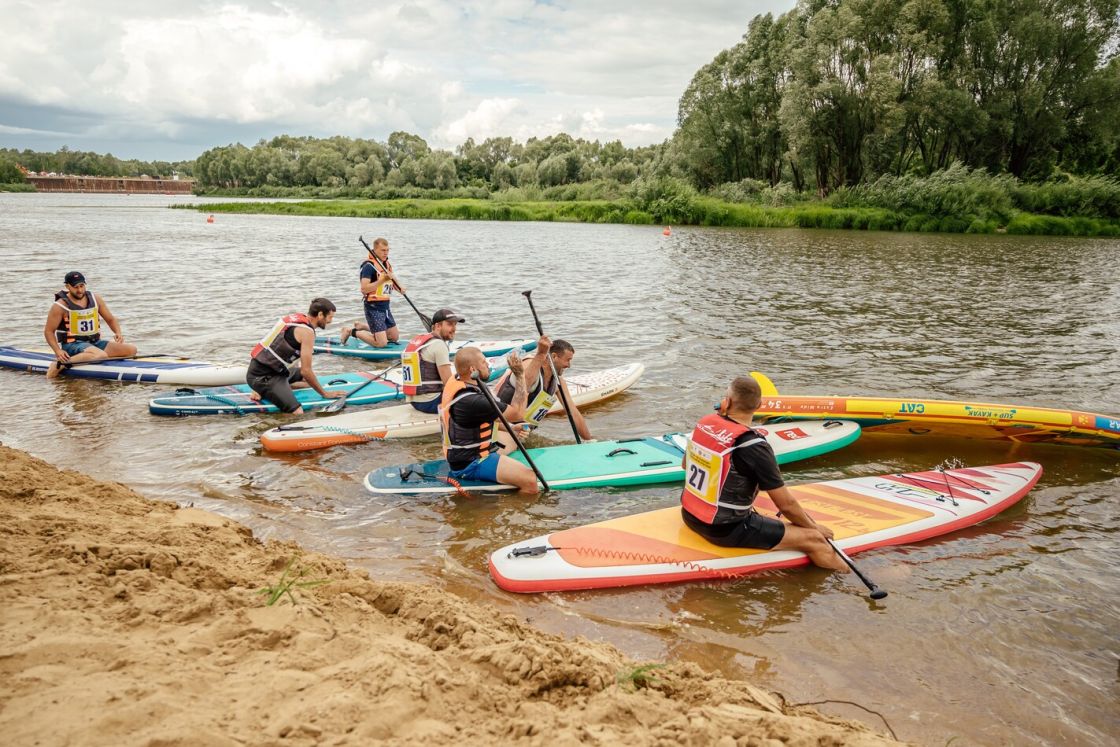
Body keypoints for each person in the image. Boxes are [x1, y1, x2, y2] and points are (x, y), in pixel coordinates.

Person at [679, 375, 847, 571]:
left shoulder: (705, 423)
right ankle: (844, 578)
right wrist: (815, 528)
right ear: (759, 405)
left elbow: (686, 465)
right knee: (816, 540)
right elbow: (786, 505)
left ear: (727, 402)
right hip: (724, 530)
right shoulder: (754, 446)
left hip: (689, 515)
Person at [440, 346, 538, 494]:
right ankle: (511, 510)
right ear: (473, 369)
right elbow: (518, 413)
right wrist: (519, 375)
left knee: (513, 439)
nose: (488, 365)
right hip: (471, 463)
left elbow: (481, 418)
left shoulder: (458, 381)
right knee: (530, 480)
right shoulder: (472, 400)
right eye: (484, 362)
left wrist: (511, 428)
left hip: (465, 454)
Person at [246, 298, 345, 414]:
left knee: (309, 381)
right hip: (263, 377)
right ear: (320, 315)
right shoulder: (307, 332)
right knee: (298, 412)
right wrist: (325, 394)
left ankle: (274, 390)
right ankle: (263, 389)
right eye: (330, 317)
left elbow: (291, 354)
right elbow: (306, 371)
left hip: (273, 371)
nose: (330, 321)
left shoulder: (298, 319)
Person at [492, 336, 591, 447]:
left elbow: (573, 412)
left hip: (522, 432)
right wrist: (541, 353)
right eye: (568, 360)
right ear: (554, 356)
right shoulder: (529, 365)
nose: (569, 365)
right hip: (500, 428)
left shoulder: (558, 381)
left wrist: (590, 441)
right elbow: (525, 386)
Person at [44, 271, 138, 378]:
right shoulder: (60, 305)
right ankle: (61, 364)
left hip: (94, 342)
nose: (80, 290)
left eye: (82, 286)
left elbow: (110, 319)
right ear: (67, 286)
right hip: (72, 345)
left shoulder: (95, 299)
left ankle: (90, 357)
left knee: (131, 350)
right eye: (75, 287)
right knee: (100, 355)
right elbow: (48, 332)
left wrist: (118, 333)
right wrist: (58, 351)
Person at [340, 237, 402, 348]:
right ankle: (350, 331)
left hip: (385, 306)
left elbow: (390, 281)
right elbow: (364, 289)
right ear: (374, 250)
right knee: (381, 343)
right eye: (383, 250)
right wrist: (382, 280)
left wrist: (399, 287)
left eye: (387, 250)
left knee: (393, 337)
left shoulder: (386, 264)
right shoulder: (368, 266)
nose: (386, 253)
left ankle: (362, 326)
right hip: (373, 307)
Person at [401, 308, 465, 414]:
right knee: (472, 398)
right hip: (430, 401)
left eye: (455, 325)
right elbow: (448, 382)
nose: (454, 329)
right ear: (438, 326)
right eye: (449, 324)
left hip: (414, 401)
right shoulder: (439, 345)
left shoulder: (418, 340)